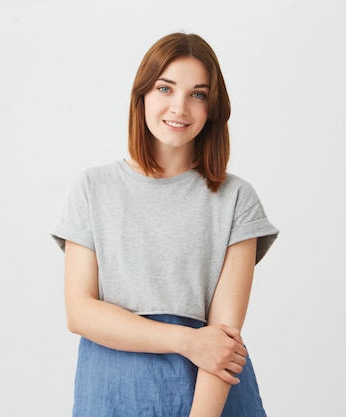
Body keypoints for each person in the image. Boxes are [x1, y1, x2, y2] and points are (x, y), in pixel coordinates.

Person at [51, 32, 279, 417]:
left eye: (198, 94)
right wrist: (187, 341)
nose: (180, 107)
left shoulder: (236, 199)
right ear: (142, 94)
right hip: (111, 390)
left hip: (207, 395)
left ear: (212, 108)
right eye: (165, 88)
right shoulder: (94, 188)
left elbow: (222, 341)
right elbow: (80, 312)